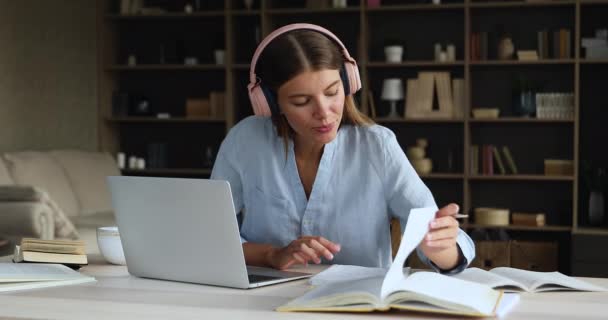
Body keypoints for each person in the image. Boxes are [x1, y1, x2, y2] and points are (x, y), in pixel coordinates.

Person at [211, 23, 474, 273]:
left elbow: (448, 252)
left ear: (348, 83)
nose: (324, 113)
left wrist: (439, 246)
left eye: (332, 92)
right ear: (269, 103)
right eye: (302, 101)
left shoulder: (377, 147)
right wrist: (272, 254)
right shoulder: (245, 141)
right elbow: (210, 236)